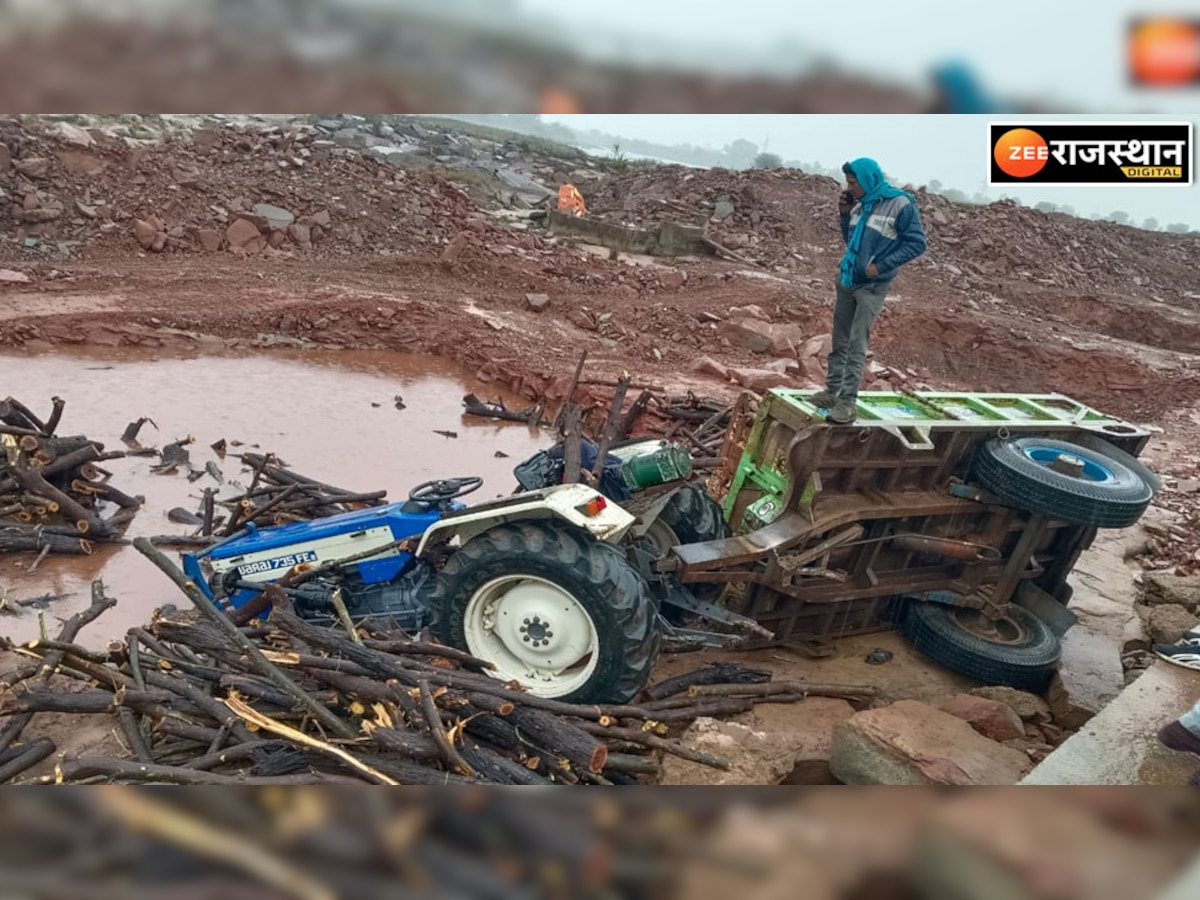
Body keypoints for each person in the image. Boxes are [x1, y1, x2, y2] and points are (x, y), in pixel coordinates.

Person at [810, 158, 927, 425]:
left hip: (872, 285)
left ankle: (847, 402)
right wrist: (843, 214)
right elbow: (851, 242)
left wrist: (881, 266)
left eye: (853, 182)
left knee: (856, 342)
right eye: (848, 182)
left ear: (867, 179)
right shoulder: (858, 205)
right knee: (839, 339)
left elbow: (917, 244)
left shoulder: (900, 204)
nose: (849, 187)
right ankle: (832, 391)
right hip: (848, 278)